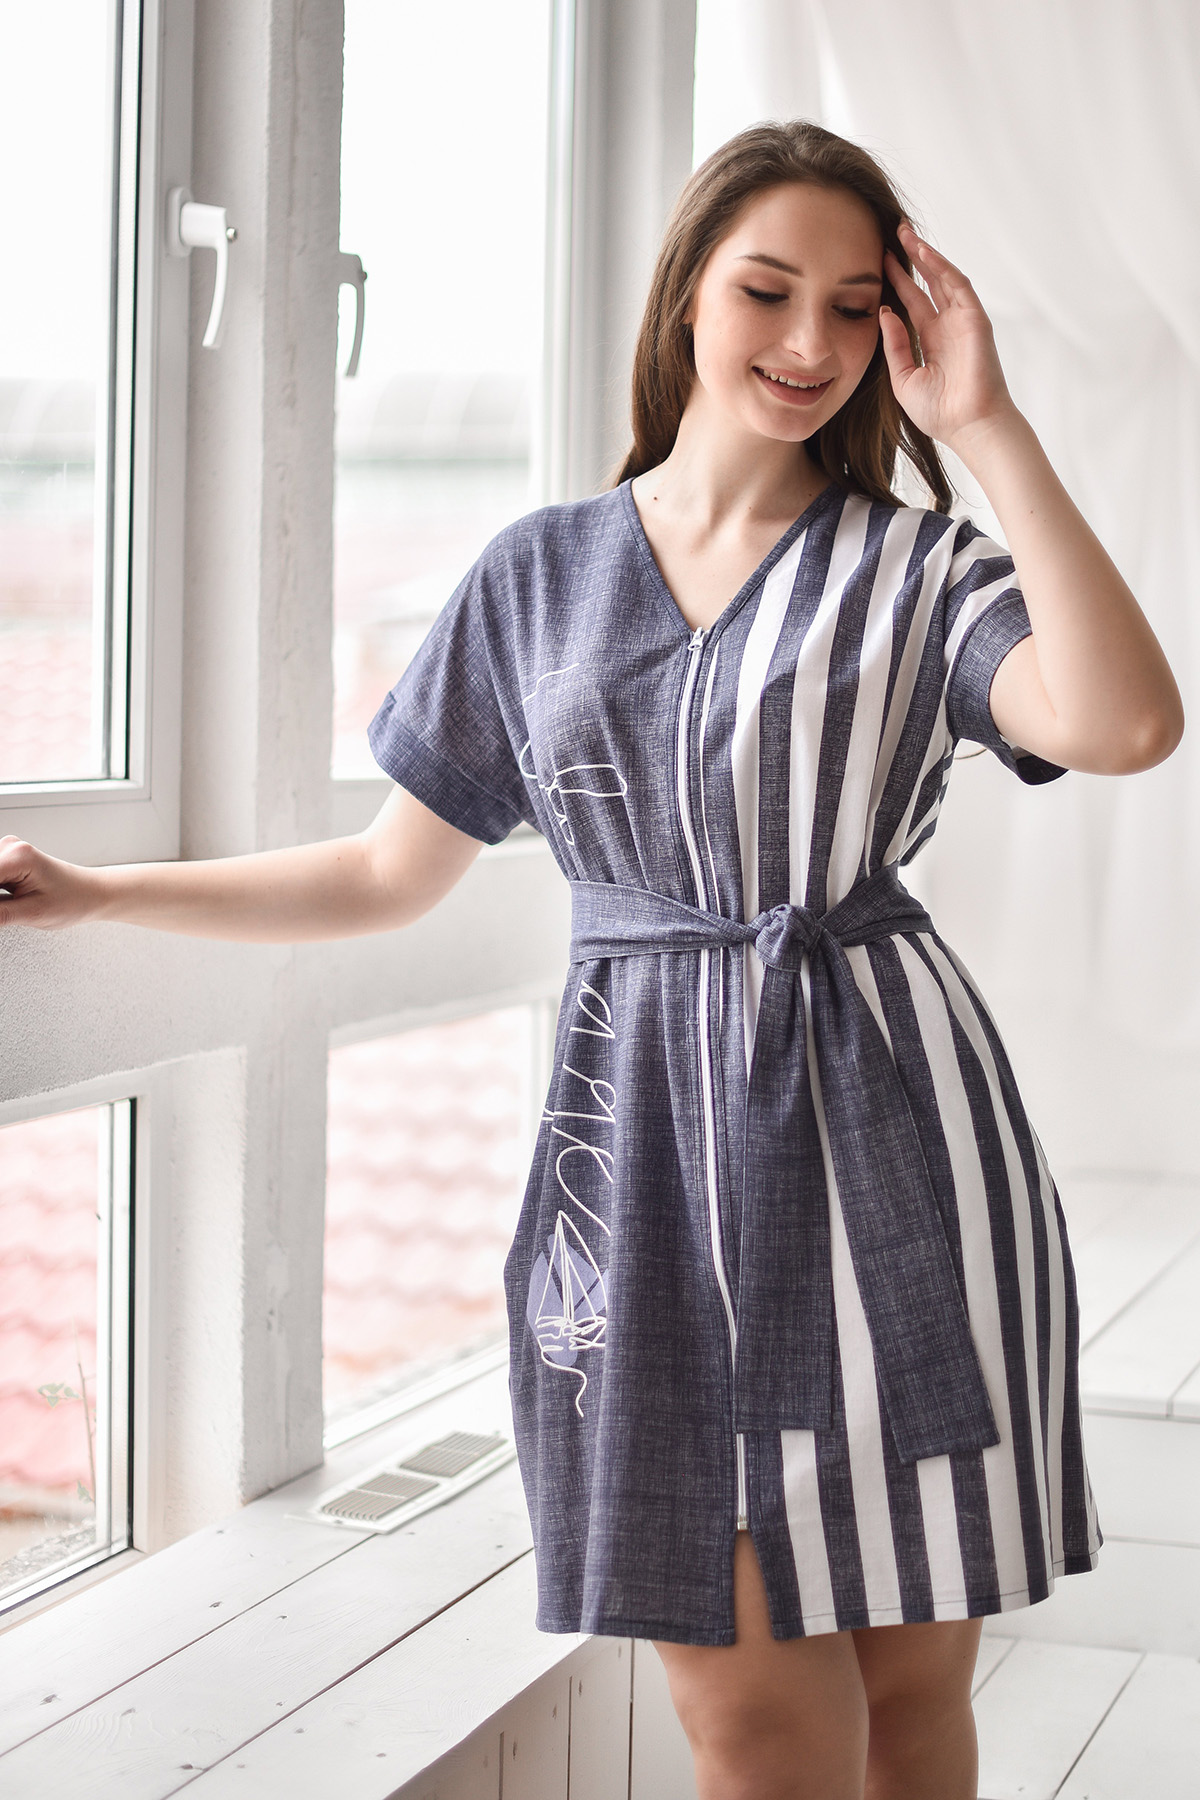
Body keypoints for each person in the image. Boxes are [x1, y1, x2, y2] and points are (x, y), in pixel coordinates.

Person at [0, 120, 1184, 1800]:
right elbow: (382, 874)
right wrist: (104, 890)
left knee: (917, 1700)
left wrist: (985, 426)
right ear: (686, 291)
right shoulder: (537, 578)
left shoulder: (921, 570)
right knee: (750, 1724)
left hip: (901, 1160)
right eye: (766, 289)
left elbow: (1126, 723)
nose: (808, 341)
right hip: (642, 1180)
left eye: (855, 306)